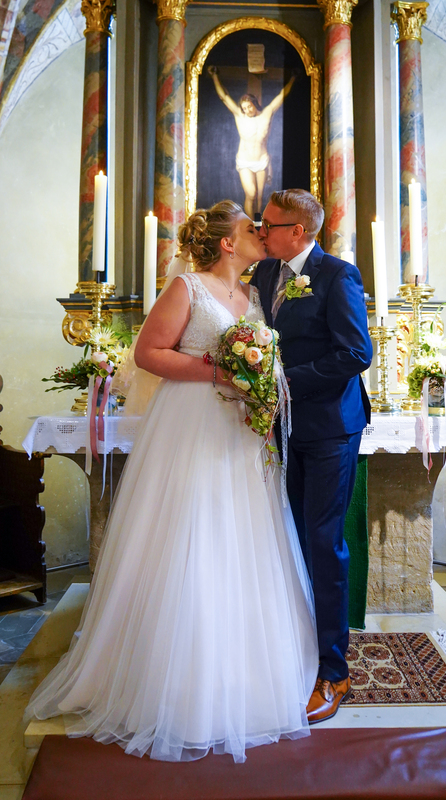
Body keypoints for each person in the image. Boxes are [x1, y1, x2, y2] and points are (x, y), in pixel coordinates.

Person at [26, 200, 318, 763]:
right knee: (192, 533)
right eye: (250, 228)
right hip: (192, 424)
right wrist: (220, 372)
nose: (261, 233)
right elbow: (149, 353)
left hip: (239, 434)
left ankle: (243, 675)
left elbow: (261, 359)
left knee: (242, 539)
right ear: (227, 243)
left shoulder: (254, 295)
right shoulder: (188, 287)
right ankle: (176, 682)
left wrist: (260, 386)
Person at [251, 189, 372, 724]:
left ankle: (333, 670)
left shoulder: (337, 275)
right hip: (280, 430)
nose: (261, 232)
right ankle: (294, 651)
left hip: (328, 430)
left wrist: (283, 383)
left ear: (297, 232)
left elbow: (355, 353)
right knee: (287, 538)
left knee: (323, 543)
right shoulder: (263, 274)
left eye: (269, 225)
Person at [207, 66, 295, 218]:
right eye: (244, 108)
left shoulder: (266, 114)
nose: (247, 110)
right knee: (251, 193)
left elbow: (281, 96)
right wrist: (214, 76)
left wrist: (292, 79)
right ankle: (249, 222)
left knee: (260, 197)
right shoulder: (240, 117)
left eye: (249, 106)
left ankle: (256, 223)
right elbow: (224, 97)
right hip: (245, 161)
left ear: (255, 104)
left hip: (262, 160)